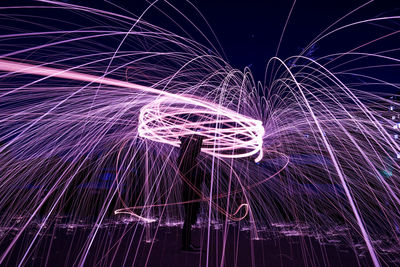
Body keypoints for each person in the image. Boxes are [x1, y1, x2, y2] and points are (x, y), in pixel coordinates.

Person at [177, 134, 207, 252]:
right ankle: (186, 245)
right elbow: (192, 174)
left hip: (192, 191)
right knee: (189, 218)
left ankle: (187, 244)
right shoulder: (184, 159)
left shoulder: (184, 158)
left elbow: (194, 153)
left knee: (190, 218)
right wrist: (200, 139)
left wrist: (199, 140)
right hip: (190, 192)